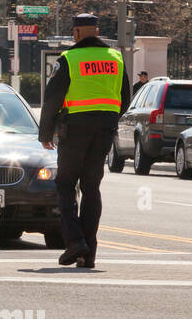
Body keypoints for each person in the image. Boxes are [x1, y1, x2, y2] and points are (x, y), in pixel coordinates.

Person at [37, 13, 132, 269]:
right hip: (105, 129)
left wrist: (45, 133)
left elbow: (53, 98)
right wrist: (110, 119)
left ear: (77, 33)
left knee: (66, 184)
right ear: (97, 31)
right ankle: (88, 253)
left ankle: (75, 241)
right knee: (92, 187)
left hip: (75, 128)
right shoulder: (115, 57)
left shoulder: (70, 58)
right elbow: (126, 97)